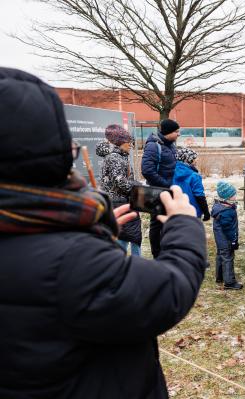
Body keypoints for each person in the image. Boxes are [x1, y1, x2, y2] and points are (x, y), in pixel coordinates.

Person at [0, 67, 208, 398]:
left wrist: (91, 228)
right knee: (136, 244)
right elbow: (168, 292)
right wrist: (184, 225)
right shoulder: (71, 262)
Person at [96, 125, 142, 255]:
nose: (131, 145)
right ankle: (133, 262)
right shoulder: (114, 157)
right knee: (130, 236)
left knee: (126, 236)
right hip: (120, 201)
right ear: (120, 142)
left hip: (122, 200)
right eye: (129, 142)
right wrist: (137, 187)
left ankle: (125, 261)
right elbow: (119, 181)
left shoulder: (119, 156)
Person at [142, 118, 180, 258]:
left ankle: (168, 251)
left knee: (168, 222)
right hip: (158, 192)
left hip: (169, 191)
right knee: (157, 223)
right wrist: (165, 184)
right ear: (168, 132)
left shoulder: (170, 145)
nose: (178, 134)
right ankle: (158, 255)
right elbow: (147, 170)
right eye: (176, 131)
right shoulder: (153, 146)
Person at [211, 181, 243, 290]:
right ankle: (229, 282)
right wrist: (233, 241)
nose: (235, 196)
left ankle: (219, 277)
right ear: (227, 197)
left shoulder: (219, 207)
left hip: (220, 240)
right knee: (228, 258)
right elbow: (229, 230)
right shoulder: (227, 212)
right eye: (233, 194)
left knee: (220, 255)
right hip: (226, 240)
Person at [173, 146, 210, 221]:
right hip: (192, 211)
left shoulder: (172, 172)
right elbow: (199, 196)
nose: (196, 160)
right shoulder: (194, 176)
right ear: (188, 160)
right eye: (194, 159)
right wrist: (206, 212)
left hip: (175, 210)